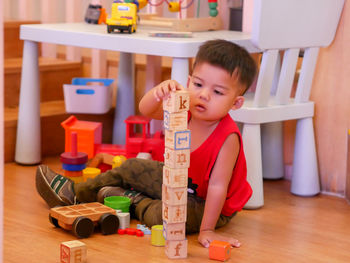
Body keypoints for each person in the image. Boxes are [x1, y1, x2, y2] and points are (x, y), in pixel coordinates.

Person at [36, 39, 257, 248]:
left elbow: (218, 187)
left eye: (218, 92)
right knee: (131, 166)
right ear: (189, 82)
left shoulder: (228, 137)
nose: (204, 95)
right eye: (198, 84)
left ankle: (132, 200)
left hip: (207, 204)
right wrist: (157, 93)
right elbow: (146, 110)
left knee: (165, 216)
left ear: (236, 103)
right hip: (174, 179)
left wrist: (207, 229)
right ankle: (76, 192)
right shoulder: (183, 108)